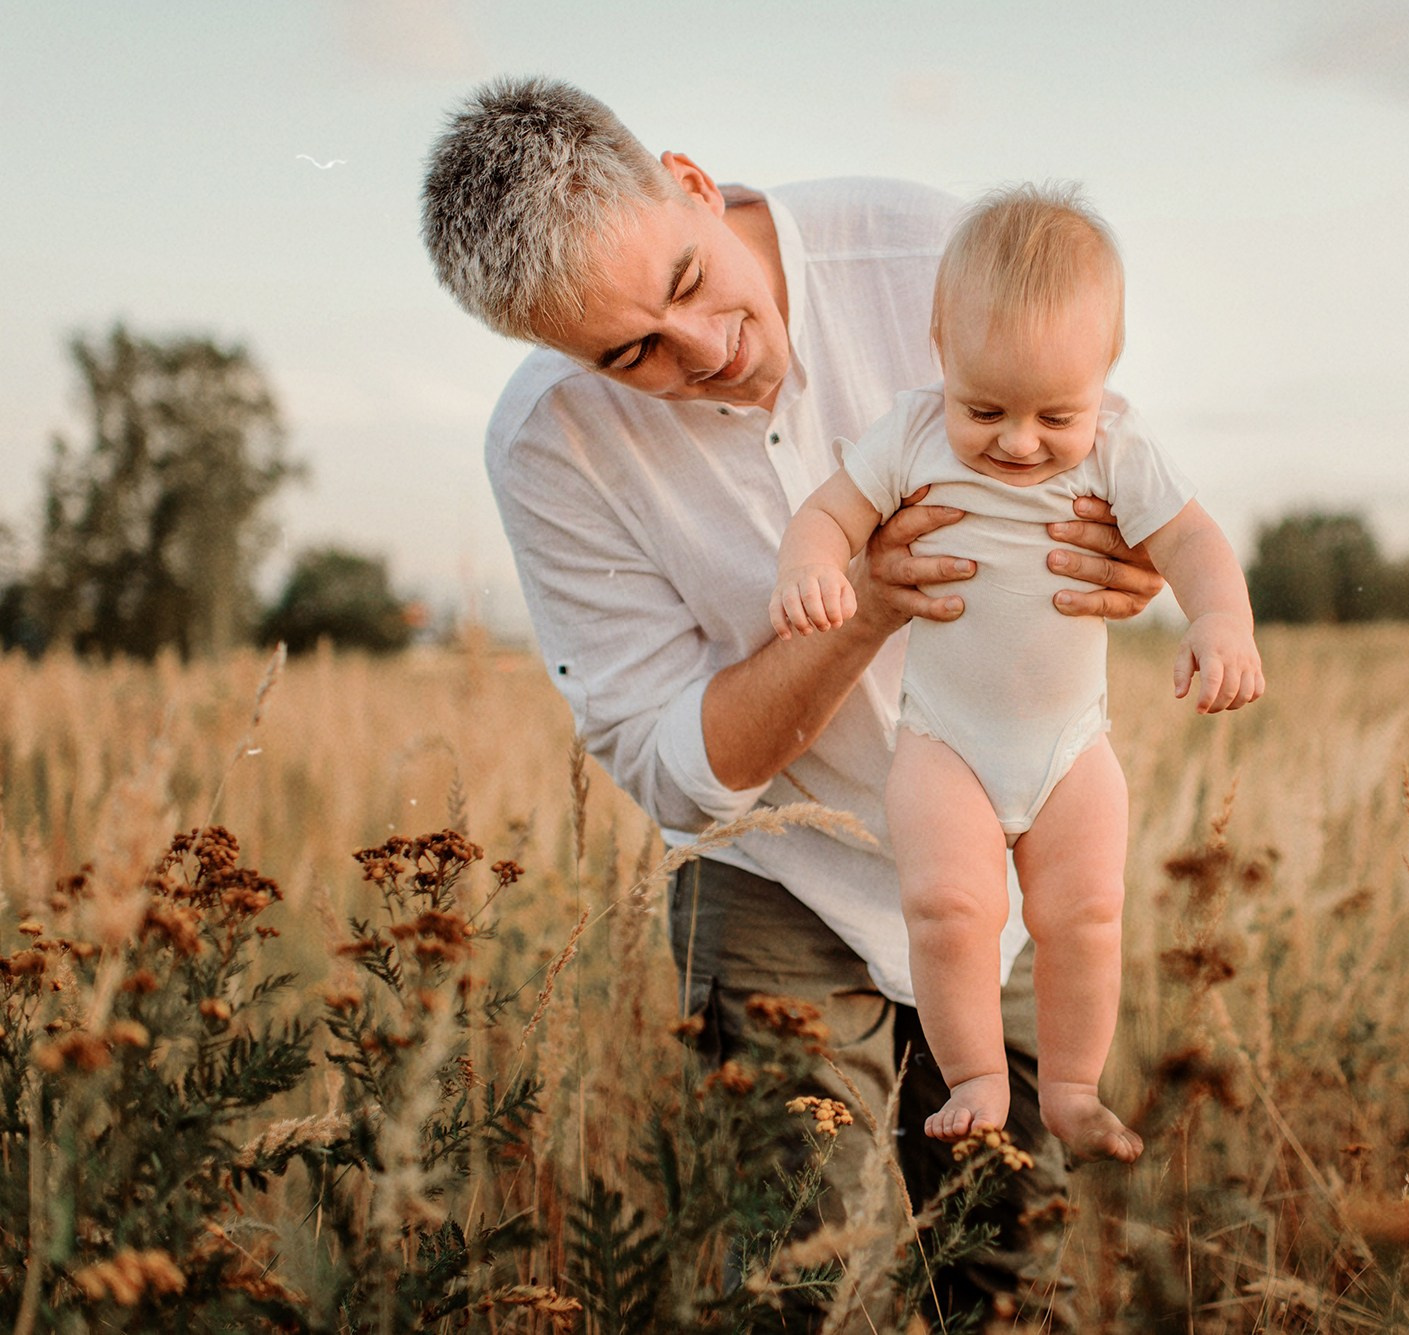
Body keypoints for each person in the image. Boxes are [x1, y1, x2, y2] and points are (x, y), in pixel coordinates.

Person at [419, 77, 1166, 1316]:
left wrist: (1129, 559)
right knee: (796, 1284)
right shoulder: (547, 450)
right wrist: (861, 608)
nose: (705, 348)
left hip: (1008, 838)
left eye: (683, 281)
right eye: (630, 353)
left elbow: (1103, 456)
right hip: (777, 881)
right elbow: (670, 765)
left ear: (692, 182)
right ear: (550, 352)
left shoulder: (931, 249)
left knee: (1008, 1262)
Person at [769, 185, 1263, 1166]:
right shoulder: (907, 434)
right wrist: (811, 566)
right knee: (949, 910)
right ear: (939, 345)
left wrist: (1219, 621)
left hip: (1070, 747)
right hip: (944, 743)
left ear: (1103, 375)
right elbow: (827, 514)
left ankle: (1073, 1088)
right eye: (984, 408)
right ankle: (978, 1079)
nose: (1020, 441)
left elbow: (1195, 541)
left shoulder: (1119, 450)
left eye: (1056, 414)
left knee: (1084, 914)